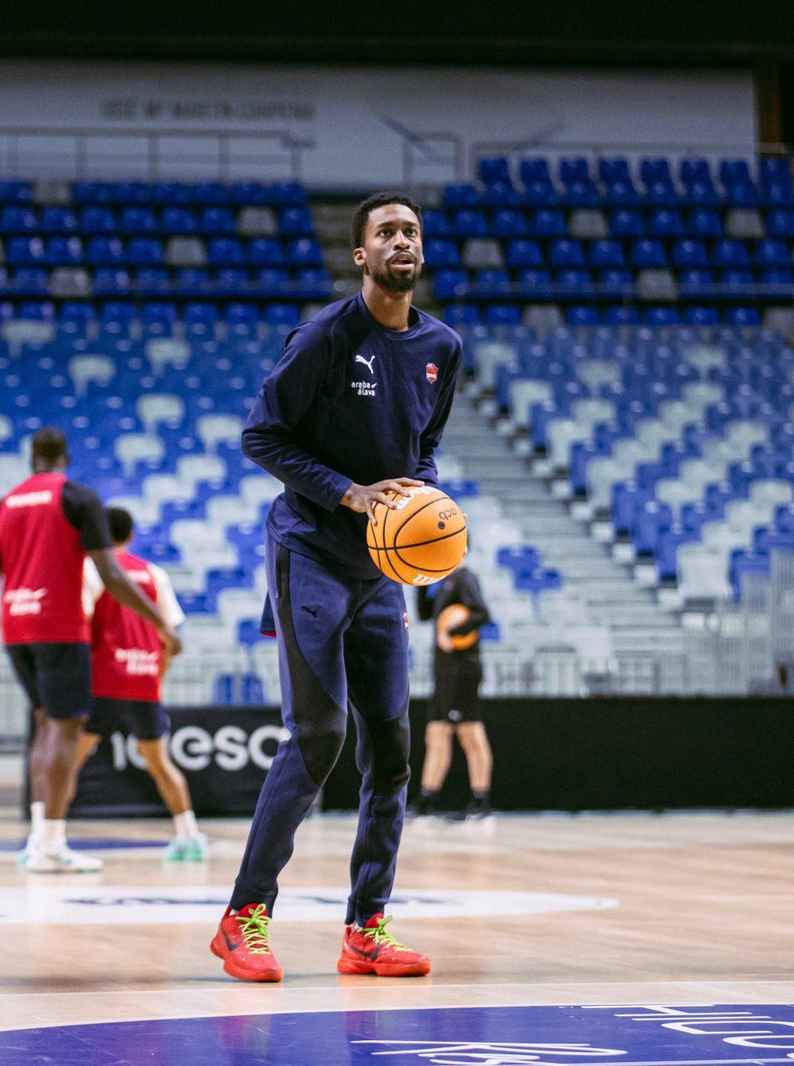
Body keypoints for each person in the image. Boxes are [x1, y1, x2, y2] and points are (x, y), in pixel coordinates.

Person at [211, 192, 460, 983]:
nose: (401, 241)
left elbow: (422, 452)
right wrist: (349, 494)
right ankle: (243, 918)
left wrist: (423, 507)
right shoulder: (324, 336)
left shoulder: (441, 347)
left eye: (410, 230)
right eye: (385, 232)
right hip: (310, 551)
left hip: (382, 571)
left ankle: (367, 928)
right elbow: (260, 435)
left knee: (391, 756)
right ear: (361, 255)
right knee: (318, 739)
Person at [0, 428, 181, 874]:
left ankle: (37, 839)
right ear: (64, 457)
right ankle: (50, 843)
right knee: (64, 732)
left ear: (32, 459)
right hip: (60, 627)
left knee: (44, 726)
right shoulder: (79, 497)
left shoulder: (4, 503)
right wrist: (161, 623)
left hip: (15, 628)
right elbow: (112, 575)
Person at [79, 507, 205, 861]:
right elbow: (170, 634)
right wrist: (155, 676)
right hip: (144, 678)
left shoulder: (93, 569)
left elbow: (82, 627)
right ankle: (190, 836)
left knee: (68, 761)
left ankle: (48, 836)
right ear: (131, 535)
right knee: (160, 763)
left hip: (103, 679)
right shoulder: (154, 573)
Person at [413, 562, 493, 820]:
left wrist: (452, 631)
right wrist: (420, 581)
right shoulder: (444, 582)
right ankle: (426, 801)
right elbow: (424, 614)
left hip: (462, 670)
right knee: (435, 733)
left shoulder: (465, 577)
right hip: (444, 673)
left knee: (470, 733)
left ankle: (481, 801)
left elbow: (481, 613)